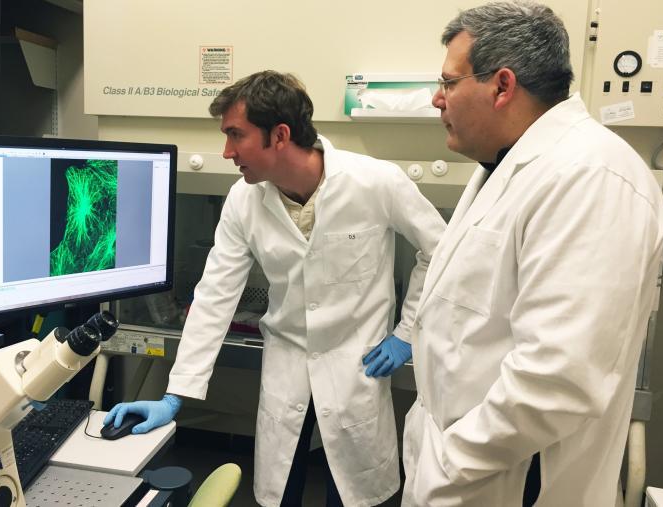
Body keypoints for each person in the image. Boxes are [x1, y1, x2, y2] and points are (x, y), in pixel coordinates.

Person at [104, 70, 446, 506]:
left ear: (280, 135)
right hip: (287, 363)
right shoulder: (244, 200)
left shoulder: (375, 182)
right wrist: (174, 397)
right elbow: (214, 296)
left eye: (235, 135)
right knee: (280, 492)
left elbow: (441, 251)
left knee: (354, 495)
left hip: (356, 365)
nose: (226, 151)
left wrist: (406, 334)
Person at [401, 2, 663, 506]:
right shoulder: (507, 165)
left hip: (509, 481)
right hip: (463, 472)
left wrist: (448, 463)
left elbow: (559, 378)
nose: (438, 99)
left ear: (502, 86)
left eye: (449, 82)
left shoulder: (591, 177)